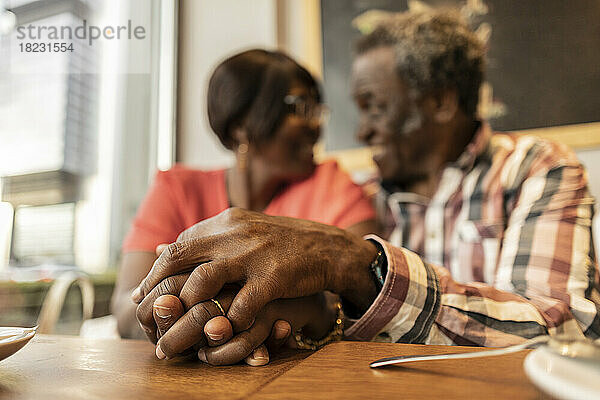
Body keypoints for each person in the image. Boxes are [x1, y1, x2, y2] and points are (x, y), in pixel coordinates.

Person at [132, 10, 600, 365]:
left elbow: (563, 335)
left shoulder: (534, 168)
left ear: (439, 103)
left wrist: (357, 262)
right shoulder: (364, 193)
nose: (361, 133)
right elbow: (334, 318)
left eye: (374, 107)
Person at [111, 49, 376, 338]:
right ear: (241, 126)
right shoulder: (177, 188)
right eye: (301, 108)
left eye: (316, 110)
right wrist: (185, 313)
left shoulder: (332, 183)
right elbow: (127, 307)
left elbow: (370, 282)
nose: (317, 125)